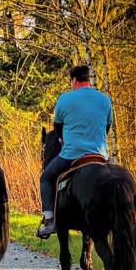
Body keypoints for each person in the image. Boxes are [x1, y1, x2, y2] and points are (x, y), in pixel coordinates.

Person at [37, 64, 113, 237]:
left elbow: (57, 128)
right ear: (88, 79)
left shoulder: (65, 99)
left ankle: (49, 220)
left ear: (74, 80)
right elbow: (107, 128)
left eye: (71, 81)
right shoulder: (105, 99)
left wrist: (64, 138)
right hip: (100, 155)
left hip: (72, 154)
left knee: (46, 178)